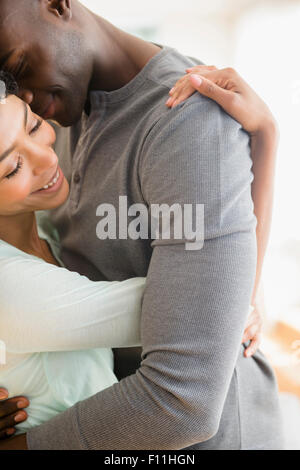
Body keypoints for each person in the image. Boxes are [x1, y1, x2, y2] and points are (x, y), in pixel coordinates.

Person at [0, 0, 283, 450]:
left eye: (20, 66)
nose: (26, 97)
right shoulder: (59, 118)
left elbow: (183, 398)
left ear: (56, 5)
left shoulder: (186, 118)